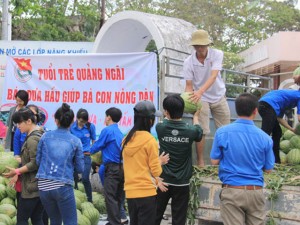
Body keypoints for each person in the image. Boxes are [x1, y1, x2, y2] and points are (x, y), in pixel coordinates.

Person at [210, 93, 275, 225]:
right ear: (255, 111)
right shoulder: (265, 138)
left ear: (237, 109)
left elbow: (214, 161)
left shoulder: (222, 132)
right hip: (255, 192)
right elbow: (269, 169)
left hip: (232, 190)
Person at [183, 29, 230, 167]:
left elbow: (214, 76)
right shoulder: (188, 62)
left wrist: (200, 91)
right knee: (201, 130)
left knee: (224, 129)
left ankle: (224, 161)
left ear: (208, 44)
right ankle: (200, 162)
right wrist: (188, 101)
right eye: (197, 45)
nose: (200, 48)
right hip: (200, 98)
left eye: (203, 45)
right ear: (193, 46)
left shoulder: (217, 54)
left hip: (218, 95)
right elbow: (188, 85)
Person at [155, 94, 203, 225]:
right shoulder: (191, 130)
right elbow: (199, 132)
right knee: (179, 219)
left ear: (166, 111)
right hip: (182, 183)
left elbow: (165, 120)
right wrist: (196, 117)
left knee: (155, 215)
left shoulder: (160, 128)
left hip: (162, 181)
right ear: (184, 110)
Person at [36, 103, 84, 225]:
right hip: (63, 185)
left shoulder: (45, 136)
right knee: (70, 221)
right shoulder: (76, 141)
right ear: (72, 121)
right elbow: (80, 168)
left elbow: (38, 161)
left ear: (56, 120)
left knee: (55, 221)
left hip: (43, 185)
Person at [122, 100, 165, 225]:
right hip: (146, 192)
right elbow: (156, 171)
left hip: (130, 193)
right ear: (150, 120)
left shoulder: (127, 139)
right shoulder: (150, 140)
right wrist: (159, 162)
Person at [3, 105, 45, 225]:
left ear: (29, 121)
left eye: (19, 123)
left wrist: (17, 171)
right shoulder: (40, 133)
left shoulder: (32, 140)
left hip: (31, 187)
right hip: (39, 185)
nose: (18, 126)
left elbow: (35, 162)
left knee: (21, 220)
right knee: (37, 219)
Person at [90, 107, 124, 225]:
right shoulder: (119, 132)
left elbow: (97, 146)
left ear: (108, 117)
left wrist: (87, 151)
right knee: (118, 197)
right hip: (121, 168)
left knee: (110, 196)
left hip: (112, 168)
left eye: (105, 116)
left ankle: (114, 222)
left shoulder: (107, 130)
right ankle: (115, 220)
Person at [258, 89, 300, 163]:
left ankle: (276, 161)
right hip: (268, 106)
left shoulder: (287, 98)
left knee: (277, 133)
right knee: (265, 134)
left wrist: (292, 129)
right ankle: (256, 159)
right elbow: (299, 118)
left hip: (264, 105)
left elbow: (279, 118)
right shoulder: (298, 96)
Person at [70, 108, 96, 202]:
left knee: (85, 178)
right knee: (74, 178)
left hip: (86, 155)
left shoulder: (90, 126)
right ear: (77, 118)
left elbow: (94, 140)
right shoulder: (71, 126)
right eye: (81, 121)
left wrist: (92, 150)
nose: (82, 123)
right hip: (73, 156)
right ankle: (75, 200)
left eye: (84, 122)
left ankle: (90, 200)